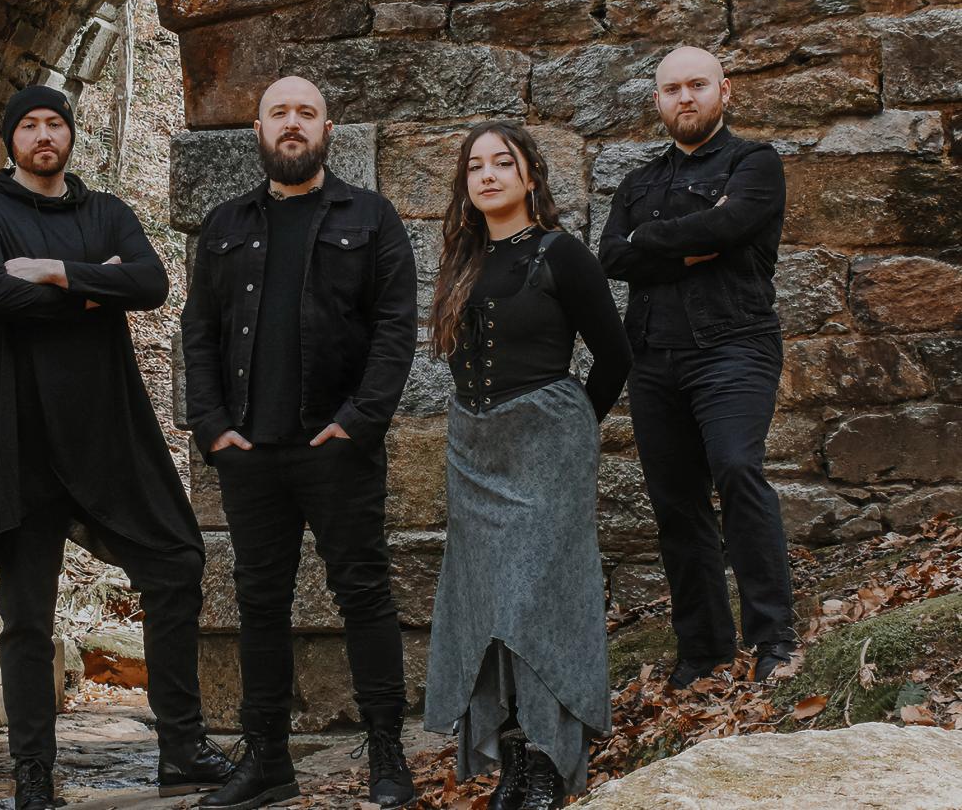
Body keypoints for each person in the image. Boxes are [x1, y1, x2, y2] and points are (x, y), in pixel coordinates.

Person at [0, 84, 232, 810]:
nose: (45, 135)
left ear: (71, 135)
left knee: (176, 559)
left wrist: (51, 272)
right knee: (27, 612)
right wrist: (94, 292)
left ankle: (182, 748)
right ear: (12, 138)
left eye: (56, 124)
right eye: (30, 125)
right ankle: (34, 771)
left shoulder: (106, 211)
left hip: (108, 428)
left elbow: (152, 282)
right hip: (22, 436)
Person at [182, 76, 419, 810]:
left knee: (364, 595)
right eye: (279, 113)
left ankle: (387, 753)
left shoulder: (371, 218)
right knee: (259, 604)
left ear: (327, 128)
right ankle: (268, 762)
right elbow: (198, 334)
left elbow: (394, 328)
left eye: (305, 114)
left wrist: (357, 422)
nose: (292, 125)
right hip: (250, 453)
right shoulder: (224, 225)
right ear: (258, 129)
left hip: (336, 447)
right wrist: (212, 427)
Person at [422, 122, 631, 810]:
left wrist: (567, 430)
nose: (487, 175)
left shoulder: (562, 255)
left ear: (530, 176)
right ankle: (512, 756)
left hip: (546, 452)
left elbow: (614, 355)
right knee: (485, 606)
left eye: (501, 163)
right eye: (475, 166)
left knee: (537, 603)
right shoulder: (462, 260)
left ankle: (548, 757)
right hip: (474, 455)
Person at [599, 46, 796, 689]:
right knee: (676, 504)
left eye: (698, 86)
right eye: (672, 89)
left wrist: (652, 243)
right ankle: (704, 652)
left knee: (738, 470)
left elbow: (735, 223)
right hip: (653, 357)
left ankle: (773, 640)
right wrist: (695, 240)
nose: (685, 98)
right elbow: (610, 259)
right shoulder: (637, 183)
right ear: (657, 100)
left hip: (734, 347)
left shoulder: (755, 162)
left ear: (724, 91)